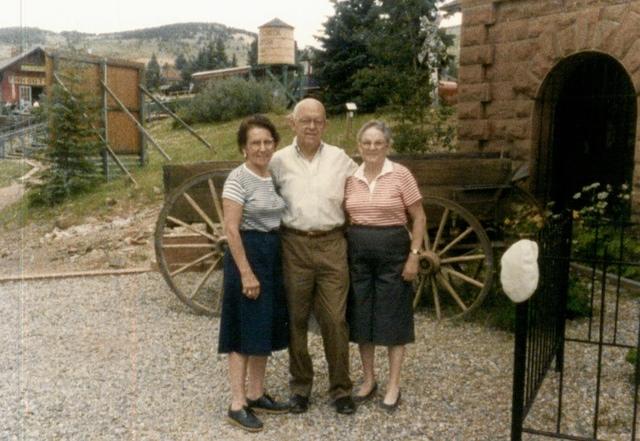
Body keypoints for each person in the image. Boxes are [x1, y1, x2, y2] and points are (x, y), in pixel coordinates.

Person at [269, 98, 358, 415]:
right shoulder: (277, 161)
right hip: (293, 245)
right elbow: (263, 196)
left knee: (335, 319)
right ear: (292, 123)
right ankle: (300, 387)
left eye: (317, 121)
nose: (311, 126)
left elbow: (362, 188)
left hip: (332, 245)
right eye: (305, 120)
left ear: (325, 124)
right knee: (295, 318)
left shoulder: (340, 158)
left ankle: (340, 389)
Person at [344, 120, 426, 411]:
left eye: (378, 143)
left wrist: (414, 255)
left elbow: (418, 217)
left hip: (393, 250)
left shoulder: (400, 174)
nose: (372, 148)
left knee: (393, 317)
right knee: (362, 315)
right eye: (366, 142)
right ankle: (369, 379)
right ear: (359, 146)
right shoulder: (351, 177)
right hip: (359, 252)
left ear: (387, 146)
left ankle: (393, 384)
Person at [218, 114, 290, 432]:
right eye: (255, 143)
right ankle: (237, 403)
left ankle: (257, 393)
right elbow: (231, 230)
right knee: (243, 329)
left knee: (264, 326)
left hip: (272, 254)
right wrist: (246, 273)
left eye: (266, 142)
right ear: (244, 149)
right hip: (246, 254)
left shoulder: (272, 175)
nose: (261, 148)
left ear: (274, 144)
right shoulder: (238, 178)